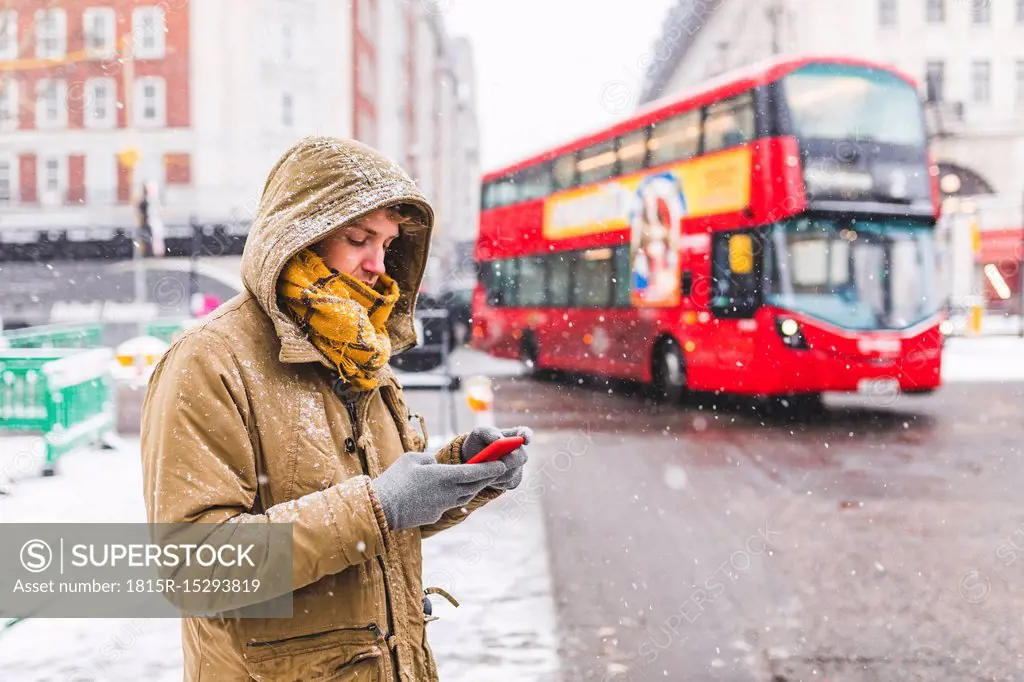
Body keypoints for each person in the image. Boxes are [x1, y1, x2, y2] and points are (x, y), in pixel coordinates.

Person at [140, 136, 531, 681]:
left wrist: (458, 473)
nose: (378, 264)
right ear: (299, 232)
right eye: (357, 239)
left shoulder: (359, 349)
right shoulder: (210, 359)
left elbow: (384, 511)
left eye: (387, 243)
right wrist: (377, 506)